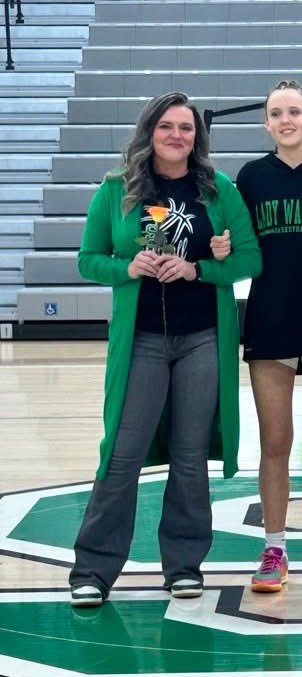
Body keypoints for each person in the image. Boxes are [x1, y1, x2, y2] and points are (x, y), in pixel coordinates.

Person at [68, 92, 262, 608]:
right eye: (167, 126)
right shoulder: (117, 189)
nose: (177, 135)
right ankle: (92, 568)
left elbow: (250, 258)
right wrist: (126, 268)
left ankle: (183, 565)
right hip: (143, 341)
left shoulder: (218, 190)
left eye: (187, 128)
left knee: (190, 454)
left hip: (202, 338)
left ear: (198, 137)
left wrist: (200, 268)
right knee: (122, 453)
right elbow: (89, 259)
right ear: (149, 131)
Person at [214, 81, 302, 595]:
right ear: (265, 123)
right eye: (276, 113)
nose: (286, 120)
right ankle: (273, 547)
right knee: (274, 442)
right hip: (270, 321)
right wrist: (222, 246)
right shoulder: (251, 177)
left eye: (295, 111)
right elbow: (235, 241)